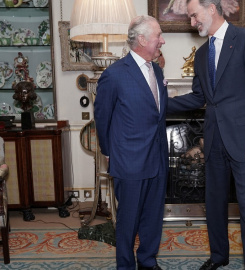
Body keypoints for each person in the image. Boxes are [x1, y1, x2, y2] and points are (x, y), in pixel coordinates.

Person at [167, 0, 245, 269]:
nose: (192, 22)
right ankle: (218, 257)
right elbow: (199, 97)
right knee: (213, 205)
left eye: (194, 16)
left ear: (211, 9)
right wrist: (160, 104)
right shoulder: (202, 54)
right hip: (213, 140)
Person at [94, 15, 167, 270]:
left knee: (153, 217)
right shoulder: (113, 75)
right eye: (159, 36)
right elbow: (102, 118)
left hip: (158, 158)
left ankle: (147, 261)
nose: (163, 41)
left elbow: (157, 111)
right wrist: (108, 152)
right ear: (142, 39)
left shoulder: (157, 69)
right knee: (128, 221)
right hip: (129, 161)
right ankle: (125, 265)